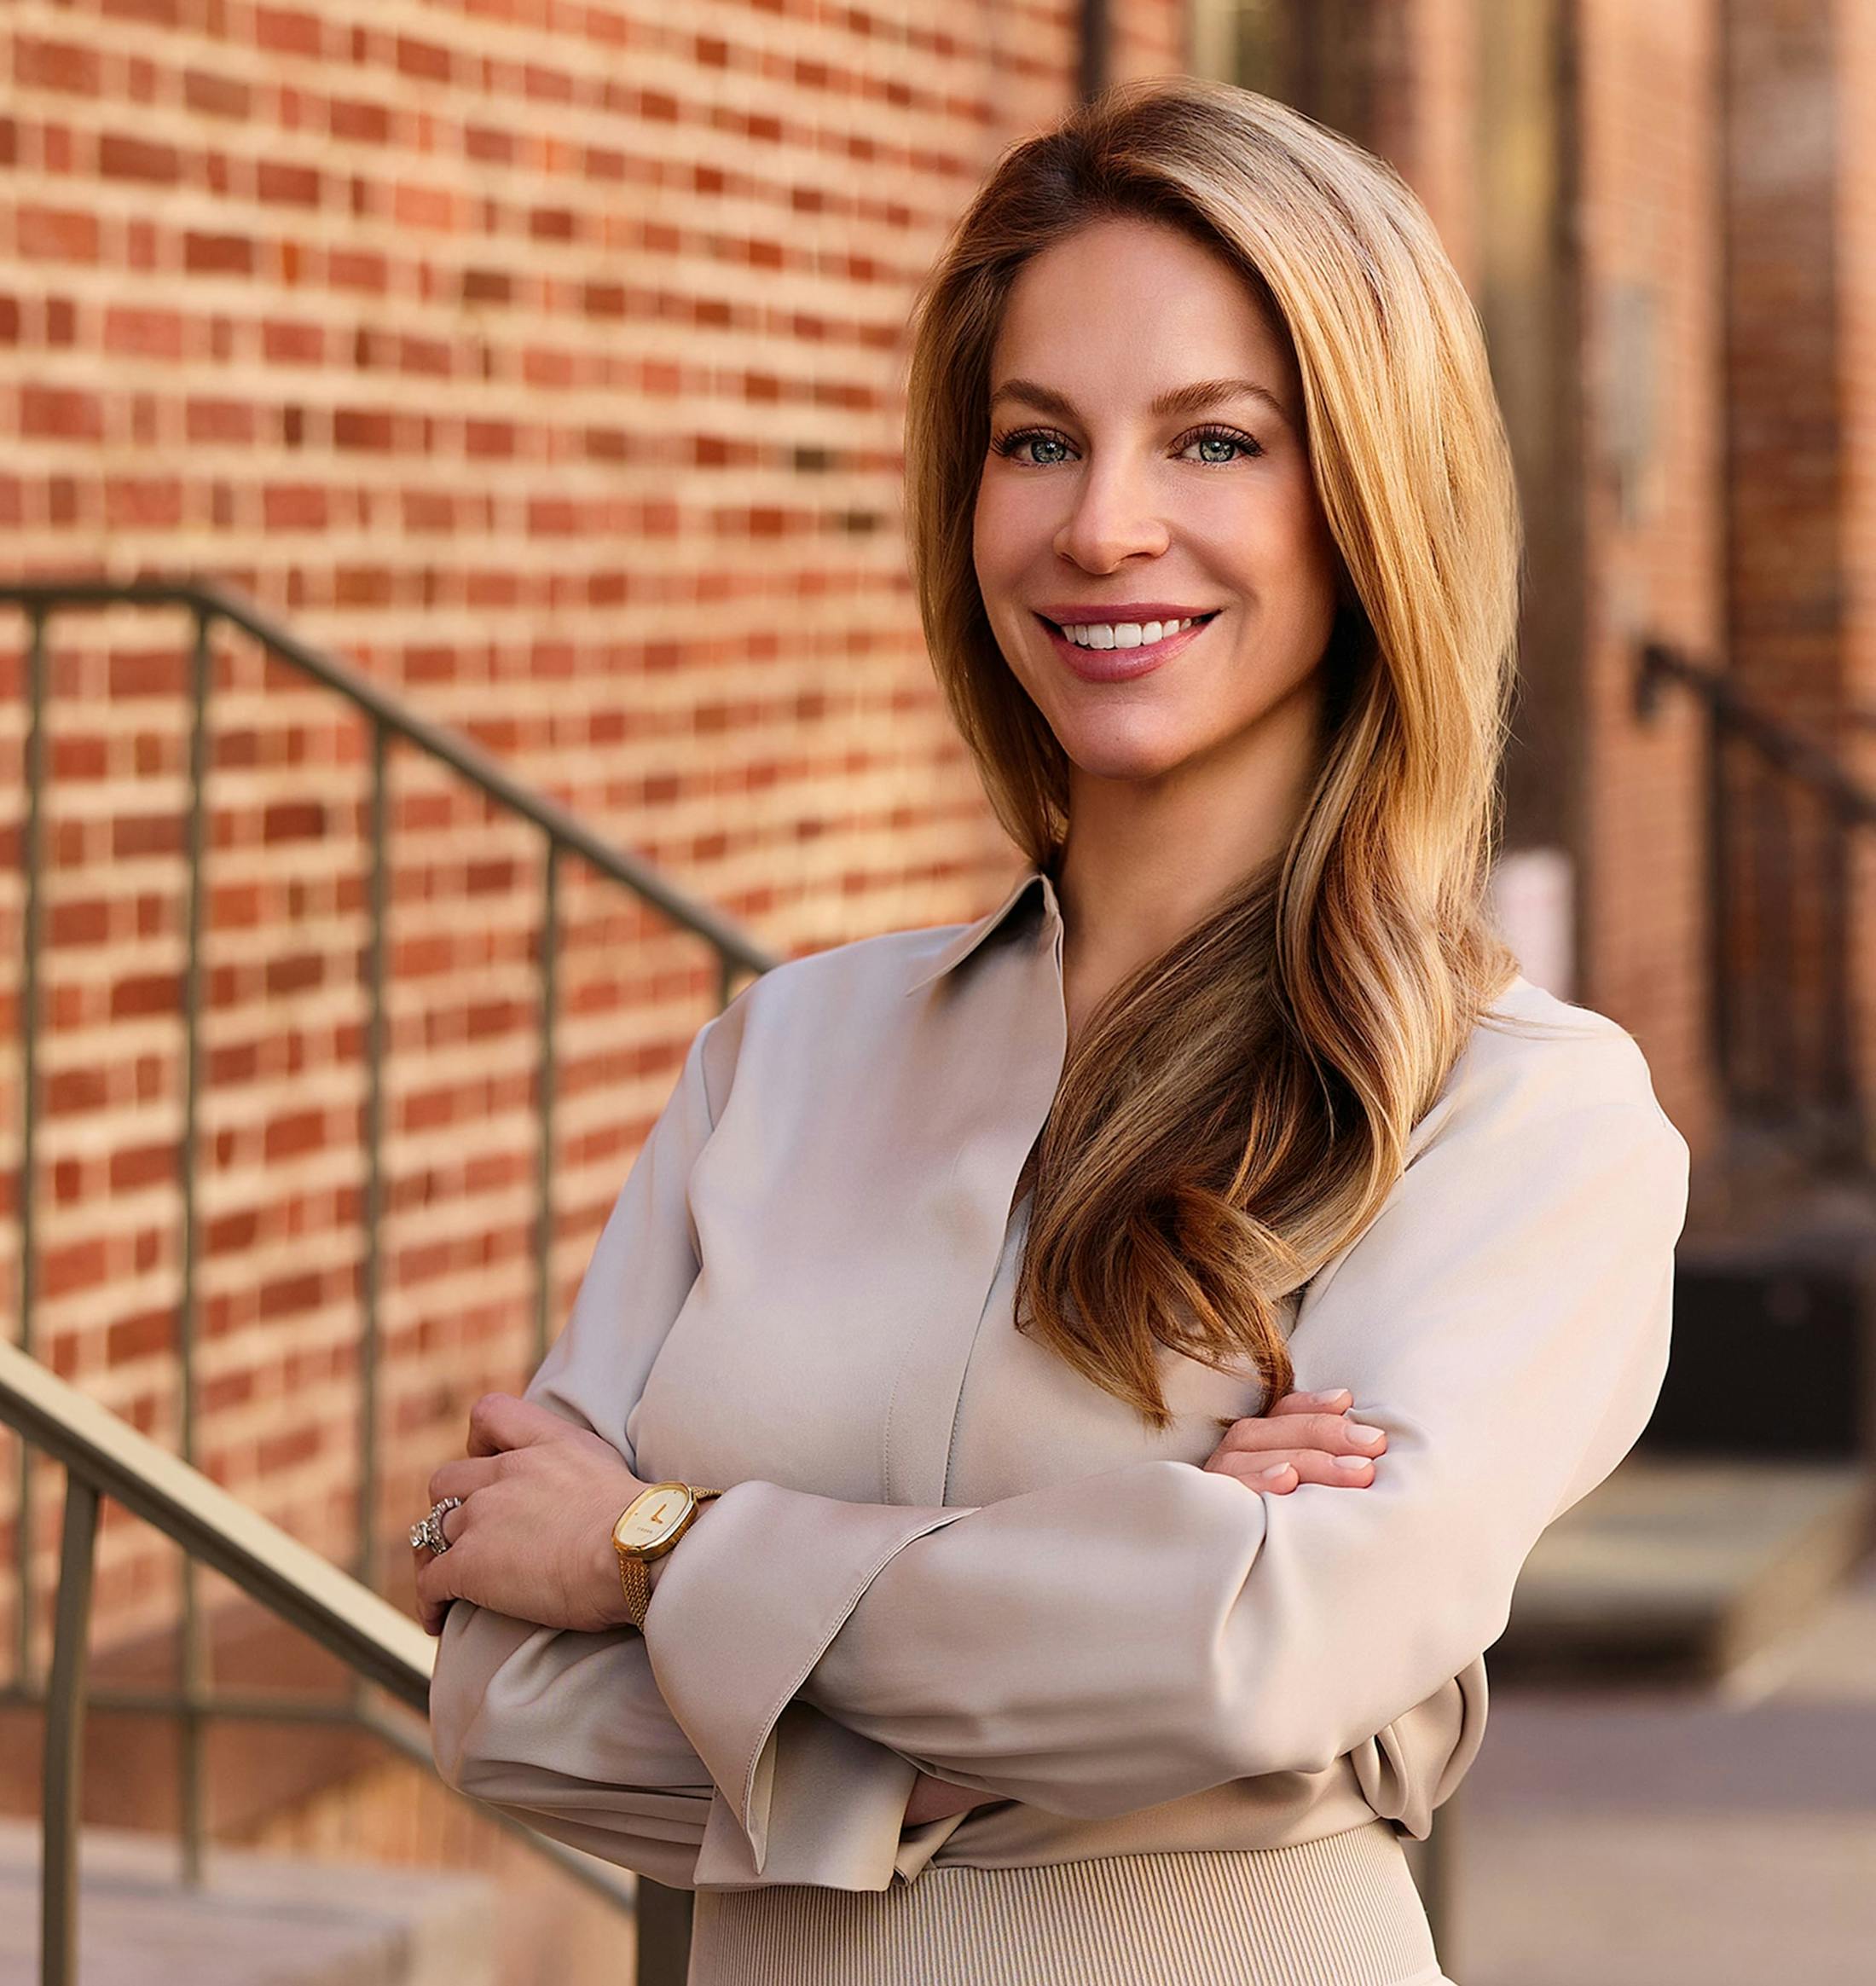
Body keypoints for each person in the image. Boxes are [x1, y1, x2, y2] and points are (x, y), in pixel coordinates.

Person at [413, 74, 1689, 1986]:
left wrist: (652, 1559)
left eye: (1212, 442)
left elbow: (1260, 1650)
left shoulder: (1520, 1119)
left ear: (1368, 501)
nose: (1103, 527)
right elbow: (501, 1702)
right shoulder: (783, 1052)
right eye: (1035, 441)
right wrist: (1129, 1657)